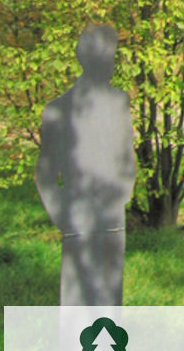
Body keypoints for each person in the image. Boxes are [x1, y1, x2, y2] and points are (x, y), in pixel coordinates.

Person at [35, 25, 136, 307]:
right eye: (108, 56)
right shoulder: (58, 109)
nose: (113, 63)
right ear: (89, 59)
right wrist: (62, 214)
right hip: (76, 215)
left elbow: (127, 154)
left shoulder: (120, 101)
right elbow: (44, 172)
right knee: (77, 301)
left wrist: (123, 194)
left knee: (109, 301)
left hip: (113, 217)